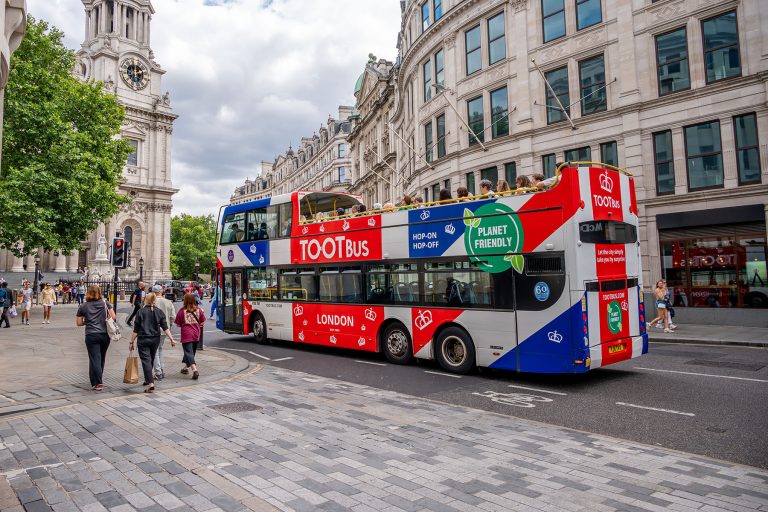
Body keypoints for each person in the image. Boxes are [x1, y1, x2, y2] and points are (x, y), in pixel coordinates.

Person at [130, 292, 175, 393]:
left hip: (143, 339)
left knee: (146, 360)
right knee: (150, 359)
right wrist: (171, 339)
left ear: (146, 300)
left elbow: (136, 330)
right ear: (154, 301)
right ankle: (148, 379)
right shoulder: (159, 312)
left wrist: (131, 341)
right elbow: (165, 327)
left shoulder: (140, 312)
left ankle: (150, 383)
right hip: (155, 339)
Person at [76, 285, 117, 391]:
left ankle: (98, 382)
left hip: (91, 335)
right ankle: (94, 381)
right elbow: (113, 316)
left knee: (94, 358)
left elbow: (79, 323)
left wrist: (88, 321)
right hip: (104, 334)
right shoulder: (105, 303)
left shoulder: (83, 306)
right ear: (99, 292)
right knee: (100, 358)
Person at [174, 293, 206, 380]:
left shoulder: (181, 311)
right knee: (191, 352)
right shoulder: (199, 310)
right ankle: (185, 368)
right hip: (196, 334)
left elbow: (177, 324)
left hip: (186, 335)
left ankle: (195, 370)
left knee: (188, 352)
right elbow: (202, 322)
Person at [152, 285, 176, 381]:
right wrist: (169, 325)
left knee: (155, 351)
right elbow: (173, 316)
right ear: (161, 291)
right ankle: (161, 368)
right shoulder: (168, 302)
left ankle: (158, 372)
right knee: (160, 349)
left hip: (153, 330)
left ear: (153, 292)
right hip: (165, 329)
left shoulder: (151, 301)